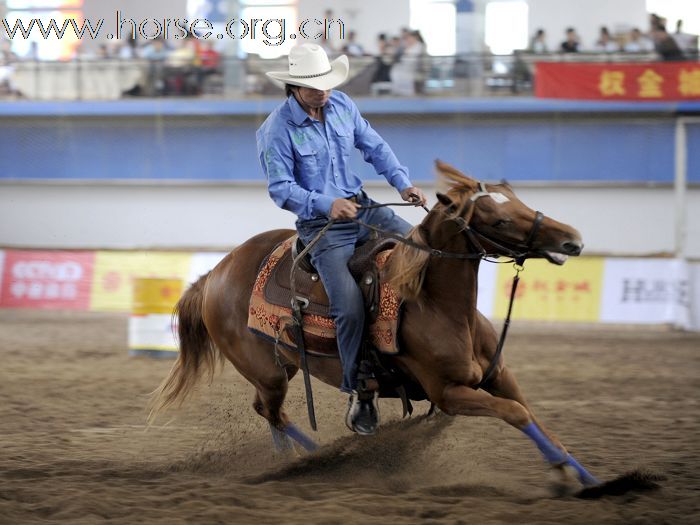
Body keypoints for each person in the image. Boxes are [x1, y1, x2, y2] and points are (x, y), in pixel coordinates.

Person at [256, 43, 427, 436]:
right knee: (348, 306)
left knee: (421, 250)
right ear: (295, 87)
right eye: (315, 86)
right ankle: (358, 391)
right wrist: (325, 204)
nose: (324, 92)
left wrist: (403, 184)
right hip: (323, 228)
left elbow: (374, 147)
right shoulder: (276, 130)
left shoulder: (342, 105)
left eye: (327, 84)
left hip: (363, 207)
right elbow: (281, 188)